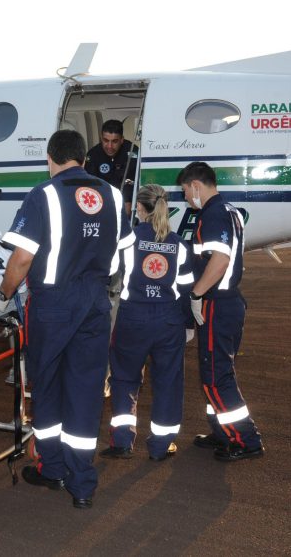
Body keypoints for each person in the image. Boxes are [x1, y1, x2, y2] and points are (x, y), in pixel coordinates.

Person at [0, 129, 134, 509]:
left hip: (53, 305)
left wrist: (3, 294)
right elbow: (121, 256)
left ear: (50, 159)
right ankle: (82, 484)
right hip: (96, 303)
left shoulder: (44, 194)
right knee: (86, 390)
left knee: (47, 384)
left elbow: (21, 260)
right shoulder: (113, 194)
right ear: (84, 160)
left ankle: (52, 468)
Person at [177, 161, 264, 462]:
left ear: (196, 186)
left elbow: (220, 260)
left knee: (215, 377)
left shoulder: (211, 214)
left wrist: (197, 294)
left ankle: (245, 439)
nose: (186, 198)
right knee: (216, 371)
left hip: (218, 303)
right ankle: (223, 431)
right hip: (228, 303)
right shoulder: (229, 211)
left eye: (186, 191)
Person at [101, 184, 193, 461]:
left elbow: (108, 272)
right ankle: (161, 445)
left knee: (124, 379)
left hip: (133, 319)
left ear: (139, 208)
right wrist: (188, 325)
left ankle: (122, 441)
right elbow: (187, 289)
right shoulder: (180, 244)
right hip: (169, 320)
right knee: (168, 382)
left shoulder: (127, 240)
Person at [84, 119, 137, 209]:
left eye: (114, 141)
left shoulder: (133, 152)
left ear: (121, 140)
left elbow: (132, 181)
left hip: (128, 204)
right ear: (101, 138)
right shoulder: (93, 155)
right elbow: (90, 186)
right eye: (106, 140)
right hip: (102, 203)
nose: (109, 146)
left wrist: (128, 201)